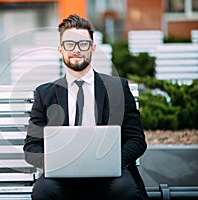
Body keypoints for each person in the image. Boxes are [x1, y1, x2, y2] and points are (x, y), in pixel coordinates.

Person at [23, 14, 148, 200]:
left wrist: (111, 163)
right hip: (62, 179)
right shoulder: (45, 94)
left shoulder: (117, 88)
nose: (76, 50)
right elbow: (32, 147)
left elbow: (137, 139)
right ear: (61, 50)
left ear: (93, 48)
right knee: (44, 192)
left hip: (111, 177)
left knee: (126, 191)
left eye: (83, 44)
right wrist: (57, 164)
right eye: (69, 44)